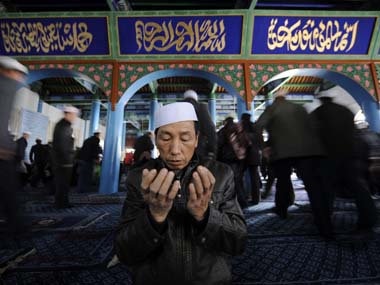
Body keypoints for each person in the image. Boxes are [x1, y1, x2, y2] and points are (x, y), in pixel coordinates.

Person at [114, 102, 247, 285]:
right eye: (166, 138)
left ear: (197, 139)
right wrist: (154, 217)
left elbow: (238, 242)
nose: (175, 150)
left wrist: (205, 215)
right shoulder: (139, 178)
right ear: (156, 140)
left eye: (185, 138)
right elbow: (125, 252)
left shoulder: (220, 174)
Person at [255, 90, 332, 238]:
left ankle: (282, 210)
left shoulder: (274, 107)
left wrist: (264, 147)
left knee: (283, 182)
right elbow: (314, 127)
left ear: (276, 98)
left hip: (283, 151)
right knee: (314, 188)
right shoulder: (300, 107)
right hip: (308, 151)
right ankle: (325, 226)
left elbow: (258, 126)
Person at [311, 93, 377, 229]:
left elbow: (314, 134)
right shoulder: (345, 110)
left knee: (325, 190)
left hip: (329, 156)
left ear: (321, 100)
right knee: (359, 189)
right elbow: (354, 131)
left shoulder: (318, 112)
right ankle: (369, 218)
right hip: (350, 154)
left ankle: (324, 222)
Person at [0, 56, 28, 233]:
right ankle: (16, 227)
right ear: (8, 71)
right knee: (8, 189)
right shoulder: (5, 87)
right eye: (18, 74)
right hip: (1, 150)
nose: (20, 79)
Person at [52, 105, 79, 208]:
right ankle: (61, 203)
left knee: (63, 183)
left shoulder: (63, 125)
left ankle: (62, 202)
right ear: (68, 114)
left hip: (62, 160)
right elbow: (63, 145)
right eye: (73, 115)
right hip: (63, 161)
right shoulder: (64, 126)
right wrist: (68, 160)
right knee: (63, 183)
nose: (74, 117)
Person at [183, 89, 217, 160]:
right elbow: (210, 131)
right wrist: (212, 150)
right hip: (200, 149)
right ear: (196, 98)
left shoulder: (179, 108)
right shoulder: (202, 108)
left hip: (182, 149)